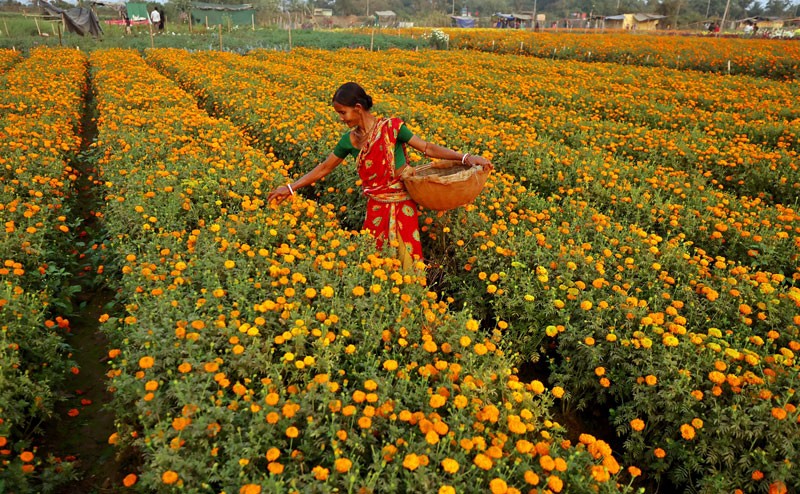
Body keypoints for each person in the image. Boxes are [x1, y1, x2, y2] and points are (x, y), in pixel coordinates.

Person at [267, 82, 492, 269]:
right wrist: (290, 188)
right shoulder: (349, 140)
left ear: (358, 108)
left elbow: (428, 148)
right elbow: (324, 168)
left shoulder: (392, 128)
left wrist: (466, 158)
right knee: (375, 261)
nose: (341, 118)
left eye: (342, 112)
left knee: (408, 260)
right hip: (376, 207)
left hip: (403, 205)